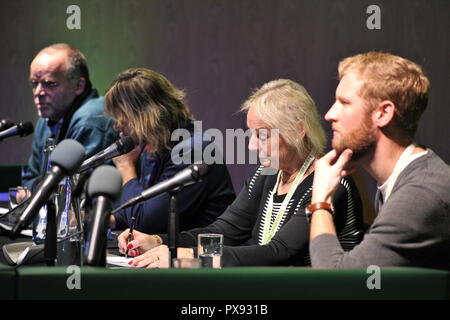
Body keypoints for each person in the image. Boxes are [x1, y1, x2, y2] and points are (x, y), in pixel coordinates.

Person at [117, 79, 365, 268]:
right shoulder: (267, 174)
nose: (251, 145)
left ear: (298, 130)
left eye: (262, 135)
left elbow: (279, 252)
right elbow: (224, 233)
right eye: (251, 134)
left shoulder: (330, 182)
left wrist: (180, 256)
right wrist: (159, 242)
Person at [309, 52, 450, 269]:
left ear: (383, 113)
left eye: (344, 102)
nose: (329, 114)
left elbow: (338, 282)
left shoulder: (420, 193)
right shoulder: (401, 178)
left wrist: (320, 202)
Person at [105, 68, 235, 234]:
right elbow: (140, 210)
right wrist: (111, 220)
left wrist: (125, 167)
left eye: (123, 116)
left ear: (148, 115)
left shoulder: (193, 151)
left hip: (203, 253)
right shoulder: (155, 146)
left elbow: (145, 223)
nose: (117, 125)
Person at [20, 43, 117, 195]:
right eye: (34, 83)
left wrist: (34, 190)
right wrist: (36, 188)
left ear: (78, 85)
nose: (38, 92)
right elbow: (30, 178)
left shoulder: (90, 121)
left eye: (49, 84)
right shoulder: (45, 121)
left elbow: (71, 190)